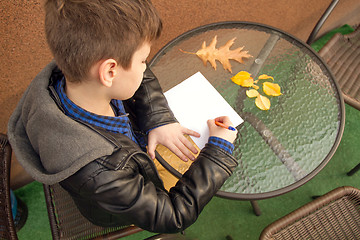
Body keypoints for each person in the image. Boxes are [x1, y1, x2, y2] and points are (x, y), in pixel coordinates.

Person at [7, 0, 238, 234]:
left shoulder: (74, 70)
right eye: (141, 60)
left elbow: (139, 77)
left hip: (127, 162)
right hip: (117, 207)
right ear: (109, 72)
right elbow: (174, 215)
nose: (144, 67)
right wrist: (218, 150)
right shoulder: (103, 175)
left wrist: (159, 117)